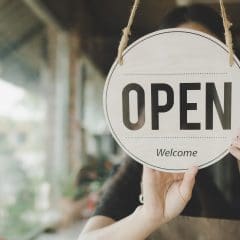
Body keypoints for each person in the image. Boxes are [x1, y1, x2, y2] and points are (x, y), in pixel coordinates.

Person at [78, 4, 240, 240]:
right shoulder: (149, 162)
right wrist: (149, 216)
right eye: (177, 59)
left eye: (204, 56)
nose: (191, 73)